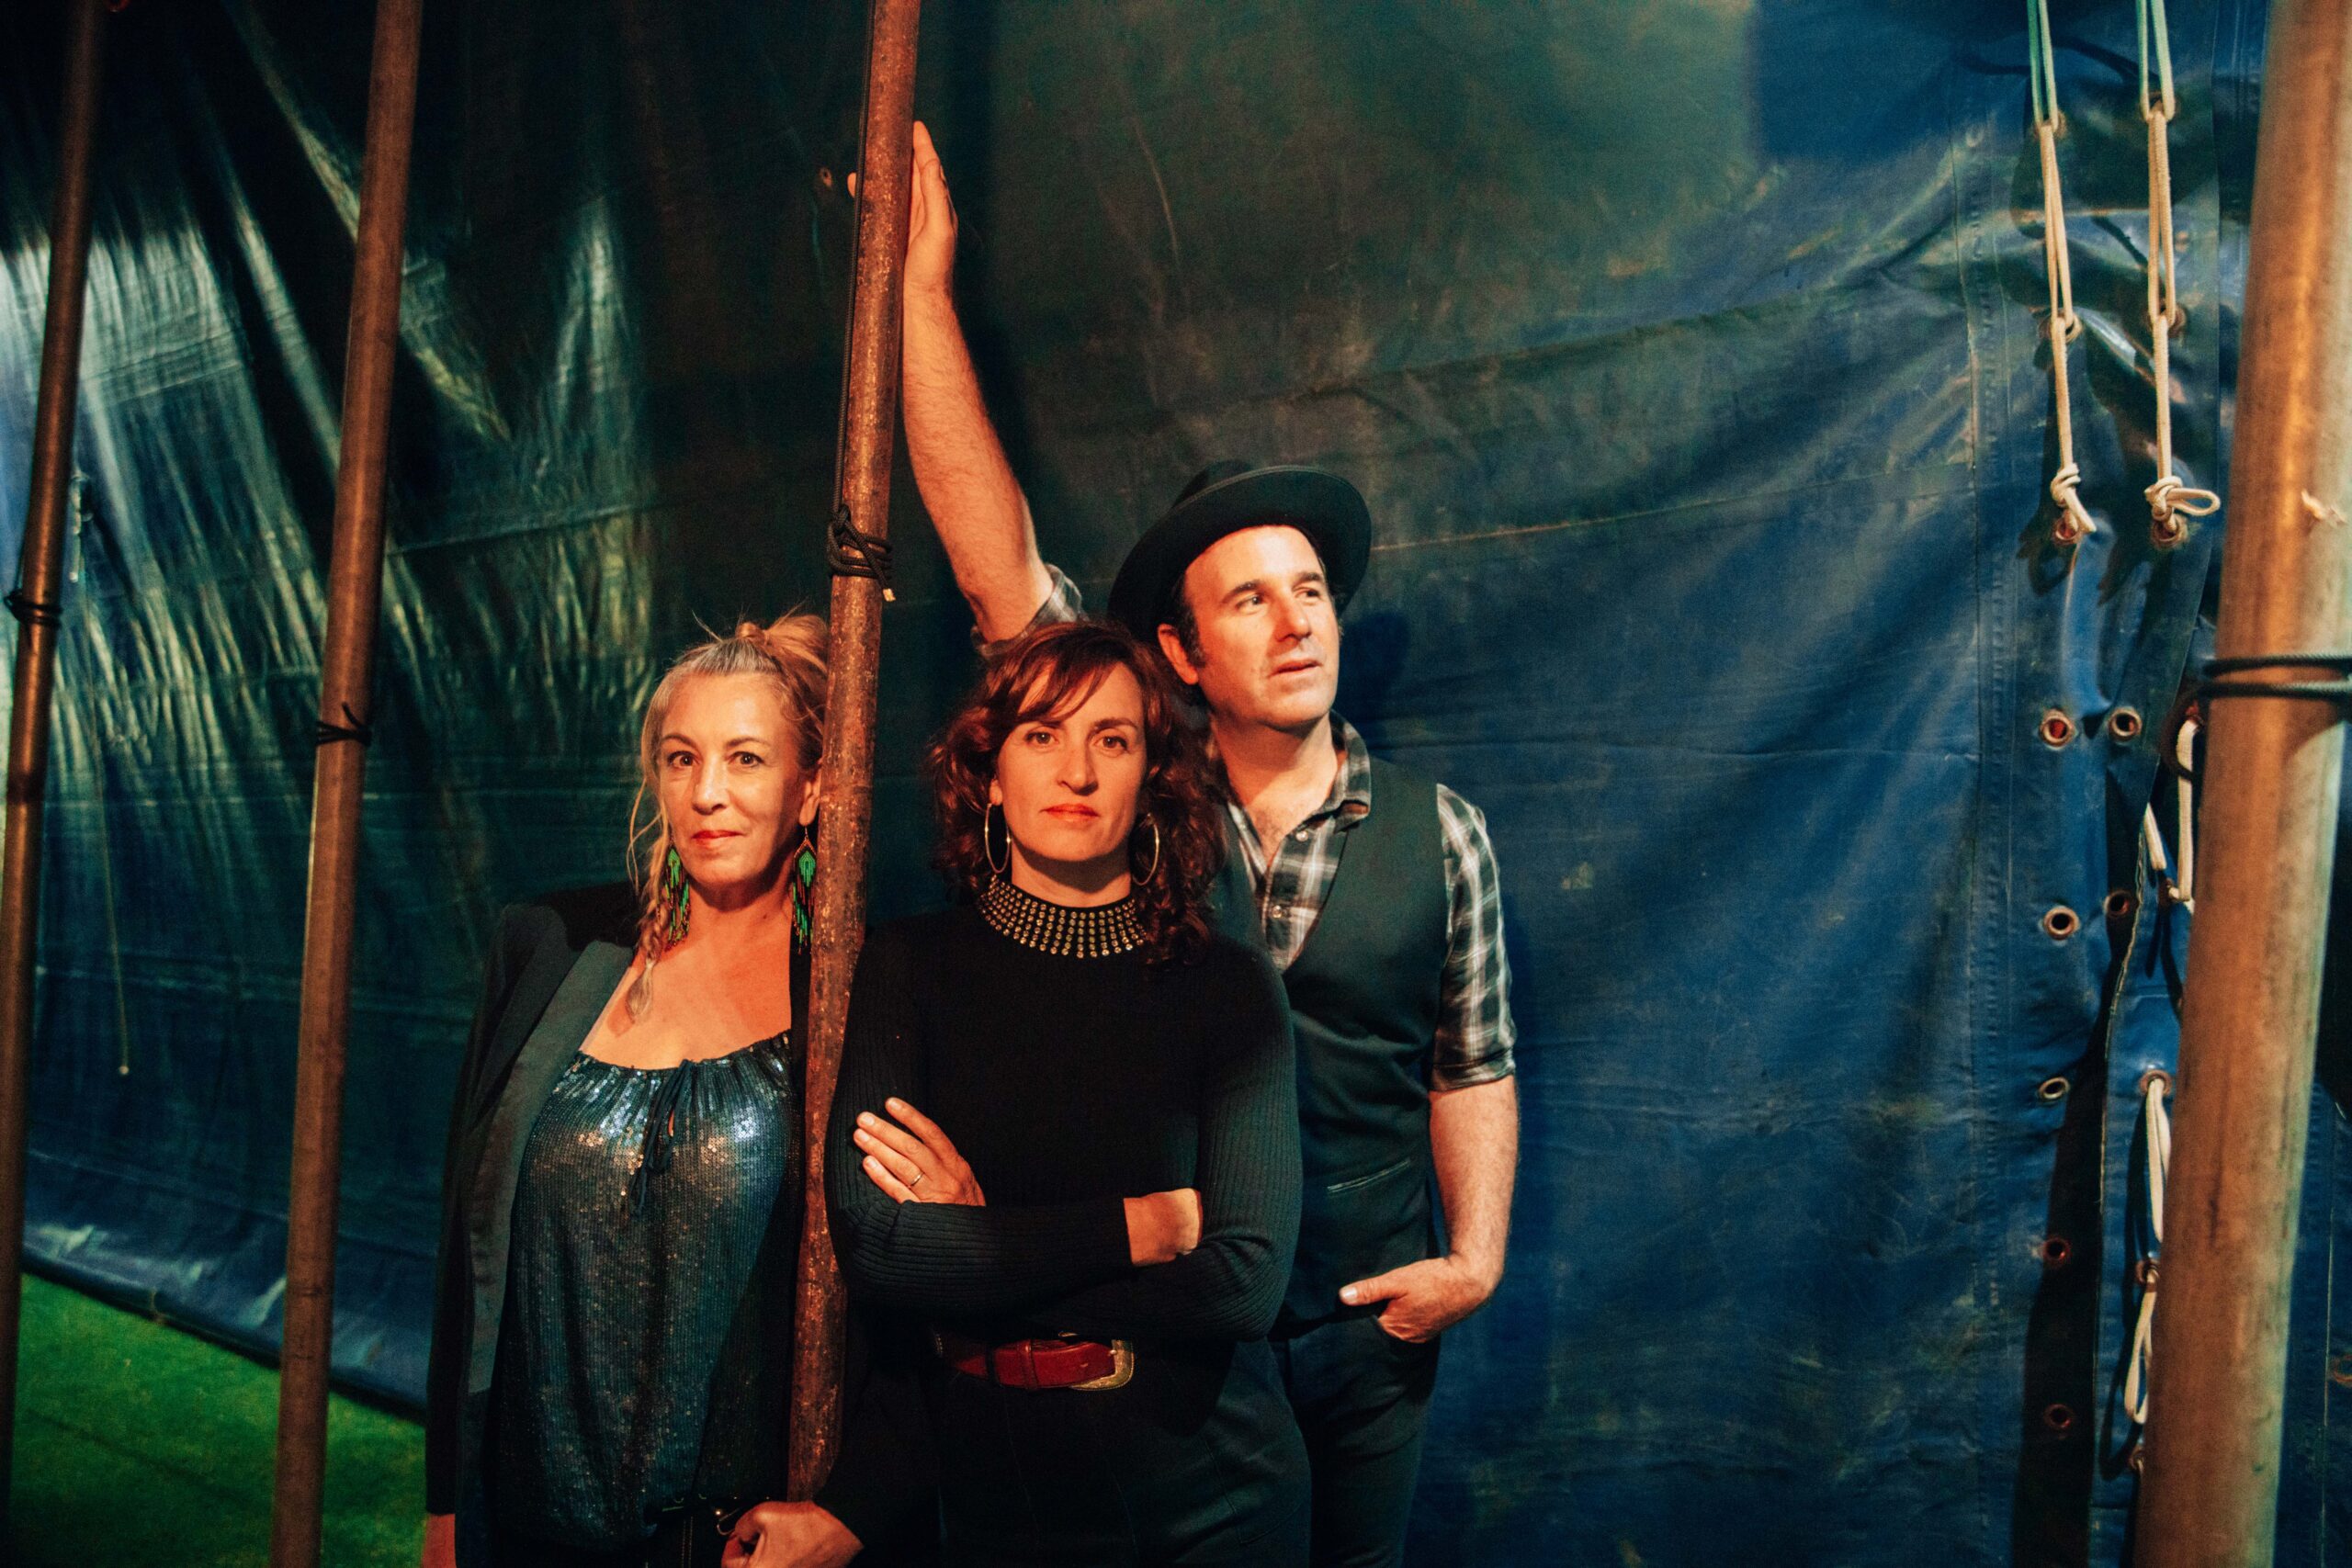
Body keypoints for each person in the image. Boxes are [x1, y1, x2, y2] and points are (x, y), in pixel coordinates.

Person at [889, 123, 1521, 1568]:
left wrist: (1473, 1260)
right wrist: (920, 295)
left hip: (1362, 1336)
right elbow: (994, 565)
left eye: (1312, 590)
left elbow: (1471, 1059)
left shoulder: (1444, 836)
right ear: (1178, 651)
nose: (1296, 623)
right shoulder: (1125, 788)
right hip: (1174, 1340)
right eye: (1249, 599)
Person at [422, 618, 910, 1568]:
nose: (708, 792)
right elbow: (464, 1247)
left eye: (746, 758)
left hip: (730, 1546)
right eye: (683, 758)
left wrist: (853, 1507)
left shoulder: (858, 992)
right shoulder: (548, 947)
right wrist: (447, 1509)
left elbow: (905, 1290)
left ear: (812, 788)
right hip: (522, 1535)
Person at [827, 619, 1309, 1565]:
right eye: (1042, 734)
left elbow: (1245, 1286)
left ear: (1152, 779)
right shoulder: (907, 969)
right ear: (990, 773)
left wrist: (979, 1247)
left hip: (1212, 1504)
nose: (1077, 771)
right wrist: (1139, 1226)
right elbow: (882, 1250)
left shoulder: (1227, 988)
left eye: (1112, 740)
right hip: (992, 1504)